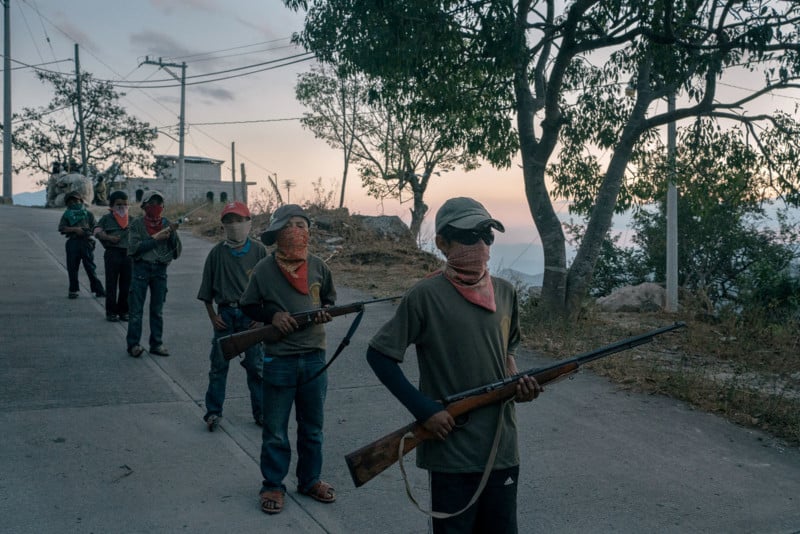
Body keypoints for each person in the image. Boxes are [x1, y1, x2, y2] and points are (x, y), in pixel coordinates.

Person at [366, 197, 541, 534]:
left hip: (501, 447)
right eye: (469, 235)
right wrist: (424, 410)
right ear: (442, 243)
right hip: (452, 450)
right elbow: (379, 356)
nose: (480, 244)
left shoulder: (505, 293)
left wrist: (519, 386)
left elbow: (508, 351)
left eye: (487, 235)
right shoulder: (424, 296)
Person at [239, 204, 337, 515]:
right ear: (278, 233)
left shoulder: (320, 266)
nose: (296, 230)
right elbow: (249, 306)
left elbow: (331, 300)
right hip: (279, 358)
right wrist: (274, 315)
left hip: (314, 357)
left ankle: (310, 481)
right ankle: (272, 484)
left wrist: (325, 311)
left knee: (312, 428)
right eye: (289, 225)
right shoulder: (265, 270)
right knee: (276, 430)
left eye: (301, 224)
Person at [197, 201, 267, 431]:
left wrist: (263, 317)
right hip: (225, 314)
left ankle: (261, 412)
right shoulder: (217, 253)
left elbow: (269, 289)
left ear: (248, 223)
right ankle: (213, 412)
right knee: (218, 366)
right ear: (223, 225)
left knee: (256, 366)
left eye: (238, 220)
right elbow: (206, 292)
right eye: (229, 221)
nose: (234, 226)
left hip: (251, 316)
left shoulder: (259, 251)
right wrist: (212, 316)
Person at [126, 190, 182, 358]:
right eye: (152, 203)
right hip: (141, 270)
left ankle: (156, 343)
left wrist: (172, 234)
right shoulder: (136, 224)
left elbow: (177, 251)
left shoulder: (167, 223)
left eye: (159, 203)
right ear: (144, 206)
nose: (156, 207)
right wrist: (155, 239)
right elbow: (133, 249)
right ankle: (133, 345)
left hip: (160, 271)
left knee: (157, 310)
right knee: (136, 310)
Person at [58, 190, 106, 299]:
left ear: (81, 201)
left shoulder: (88, 214)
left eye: (76, 200)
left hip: (86, 242)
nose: (74, 203)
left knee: (90, 267)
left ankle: (98, 290)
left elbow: (95, 228)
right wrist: (75, 229)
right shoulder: (66, 215)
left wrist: (92, 232)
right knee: (72, 268)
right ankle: (73, 290)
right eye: (70, 202)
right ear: (67, 204)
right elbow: (61, 228)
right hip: (72, 243)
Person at [94, 190, 132, 322]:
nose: (122, 207)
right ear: (112, 205)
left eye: (125, 204)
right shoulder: (106, 218)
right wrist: (108, 237)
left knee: (126, 285)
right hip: (112, 253)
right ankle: (111, 312)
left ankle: (124, 311)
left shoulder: (132, 220)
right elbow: (97, 231)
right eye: (118, 204)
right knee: (111, 284)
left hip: (129, 255)